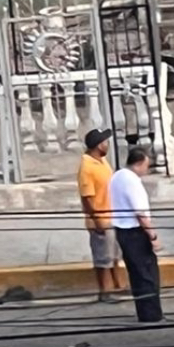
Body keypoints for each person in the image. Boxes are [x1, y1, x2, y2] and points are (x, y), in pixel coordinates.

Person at [108, 147, 163, 324]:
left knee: (137, 273)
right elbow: (140, 213)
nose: (146, 170)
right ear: (138, 164)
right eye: (146, 166)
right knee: (147, 274)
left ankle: (144, 312)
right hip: (136, 232)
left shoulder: (117, 176)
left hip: (122, 231)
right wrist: (153, 236)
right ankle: (152, 314)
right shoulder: (132, 181)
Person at [77, 127, 122, 303]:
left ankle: (117, 287)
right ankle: (105, 292)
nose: (107, 145)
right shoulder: (87, 167)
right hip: (100, 220)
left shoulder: (102, 161)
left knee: (114, 256)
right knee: (103, 259)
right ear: (98, 145)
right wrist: (97, 220)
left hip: (111, 217)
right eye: (105, 142)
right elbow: (87, 198)